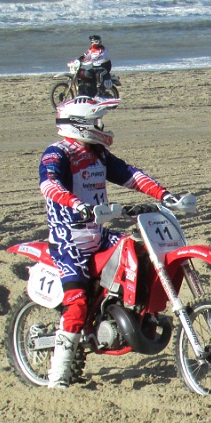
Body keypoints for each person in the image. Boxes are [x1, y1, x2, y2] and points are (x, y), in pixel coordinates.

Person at [39, 96, 184, 389]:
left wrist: (164, 195)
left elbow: (130, 174)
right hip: (70, 239)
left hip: (99, 233)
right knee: (77, 302)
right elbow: (49, 184)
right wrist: (76, 204)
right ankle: (58, 378)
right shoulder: (58, 153)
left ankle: (131, 313)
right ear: (81, 125)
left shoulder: (98, 154)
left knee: (139, 252)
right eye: (97, 121)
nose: (102, 126)